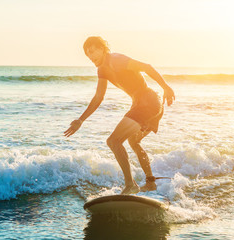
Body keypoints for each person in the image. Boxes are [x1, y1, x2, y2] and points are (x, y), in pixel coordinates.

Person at [64, 36, 175, 195]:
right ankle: (150, 182)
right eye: (88, 55)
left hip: (148, 102)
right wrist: (81, 120)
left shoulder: (117, 60)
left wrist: (166, 87)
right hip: (142, 104)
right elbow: (98, 97)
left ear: (102, 48)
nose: (91, 57)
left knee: (113, 141)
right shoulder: (102, 70)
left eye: (93, 52)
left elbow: (147, 67)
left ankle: (131, 185)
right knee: (133, 141)